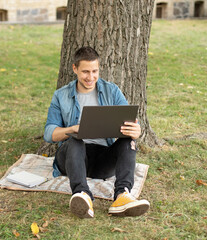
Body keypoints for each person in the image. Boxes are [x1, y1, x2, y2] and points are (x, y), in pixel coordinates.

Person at [44, 46, 150, 218]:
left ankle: (122, 196)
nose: (91, 77)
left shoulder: (112, 91)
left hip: (102, 160)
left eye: (95, 71)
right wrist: (72, 129)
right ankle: (82, 195)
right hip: (73, 157)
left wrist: (135, 131)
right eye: (85, 72)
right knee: (75, 140)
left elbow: (128, 120)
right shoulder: (61, 95)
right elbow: (49, 133)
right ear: (74, 69)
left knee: (127, 141)